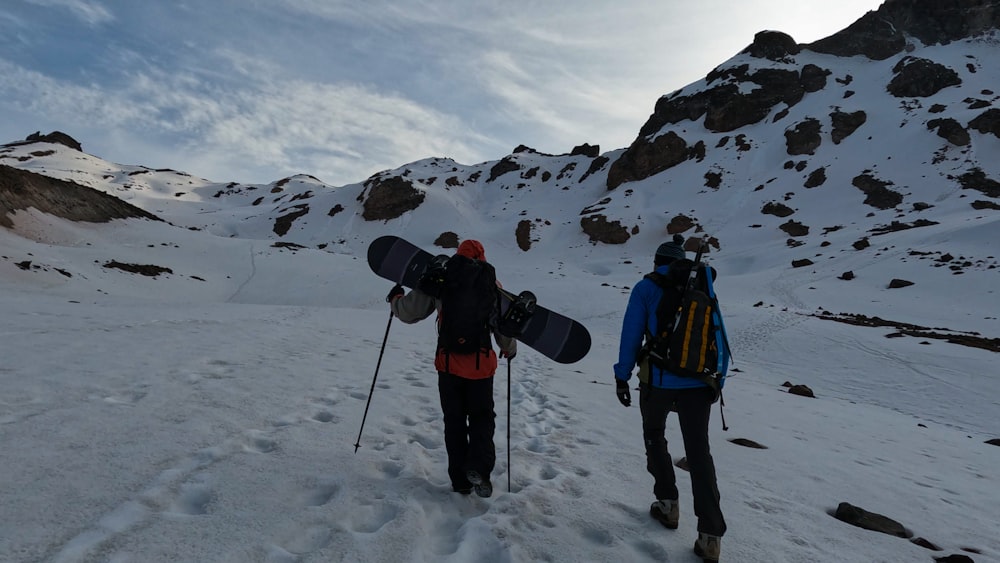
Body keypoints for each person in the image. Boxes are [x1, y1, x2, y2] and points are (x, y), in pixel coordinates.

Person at [613, 234, 726, 562]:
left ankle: (667, 504)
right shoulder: (703, 287)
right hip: (698, 382)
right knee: (699, 453)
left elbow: (631, 335)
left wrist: (622, 376)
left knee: (654, 436)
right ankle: (710, 536)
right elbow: (718, 334)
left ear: (656, 262)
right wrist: (717, 381)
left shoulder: (646, 288)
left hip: (657, 380)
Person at [387, 239, 517, 498]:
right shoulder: (492, 285)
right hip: (481, 369)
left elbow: (408, 313)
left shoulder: (441, 279)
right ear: (483, 257)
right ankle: (479, 468)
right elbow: (503, 327)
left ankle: (460, 481)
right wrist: (509, 349)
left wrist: (395, 298)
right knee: (482, 419)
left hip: (448, 366)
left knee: (454, 422)